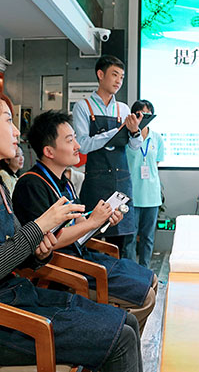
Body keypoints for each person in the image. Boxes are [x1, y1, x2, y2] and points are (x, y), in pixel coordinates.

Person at [0, 91, 142, 372]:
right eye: (7, 121)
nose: (16, 131)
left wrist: (39, 252)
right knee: (120, 338)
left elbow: (17, 253)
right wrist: (38, 227)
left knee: (127, 322)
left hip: (14, 300)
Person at [12, 110, 157, 333]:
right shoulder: (31, 184)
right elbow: (47, 242)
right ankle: (119, 337)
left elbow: (79, 225)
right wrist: (91, 223)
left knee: (152, 280)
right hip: (61, 266)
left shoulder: (65, 182)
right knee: (146, 297)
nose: (78, 146)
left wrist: (102, 221)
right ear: (49, 151)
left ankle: (122, 337)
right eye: (70, 140)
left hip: (80, 256)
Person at [72, 55, 142, 256]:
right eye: (114, 75)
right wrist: (115, 132)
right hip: (96, 181)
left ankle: (119, 275)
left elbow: (135, 146)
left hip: (122, 181)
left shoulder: (124, 109)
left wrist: (134, 131)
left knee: (121, 242)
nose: (119, 81)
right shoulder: (83, 106)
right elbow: (83, 145)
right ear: (100, 75)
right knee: (91, 238)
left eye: (122, 77)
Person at [125, 100, 165, 267]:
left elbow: (155, 164)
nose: (144, 118)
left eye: (148, 114)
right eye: (141, 114)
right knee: (130, 236)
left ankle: (145, 269)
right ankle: (130, 271)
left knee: (148, 237)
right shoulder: (126, 137)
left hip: (151, 194)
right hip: (132, 194)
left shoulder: (157, 138)